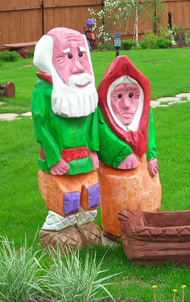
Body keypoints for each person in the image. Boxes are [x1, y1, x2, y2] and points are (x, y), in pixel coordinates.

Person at [31, 27, 102, 251]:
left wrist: (94, 150)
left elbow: (93, 121)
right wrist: (54, 158)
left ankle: (84, 224)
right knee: (66, 198)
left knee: (91, 195)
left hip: (85, 158)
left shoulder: (87, 91)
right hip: (60, 159)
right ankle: (54, 231)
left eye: (81, 55)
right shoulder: (44, 92)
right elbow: (41, 128)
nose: (78, 64)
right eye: (68, 56)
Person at [96, 55, 161, 241]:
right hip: (117, 176)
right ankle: (117, 230)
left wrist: (152, 155)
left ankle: (151, 220)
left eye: (132, 95)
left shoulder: (146, 112)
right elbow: (102, 136)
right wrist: (121, 153)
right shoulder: (100, 115)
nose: (126, 104)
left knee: (151, 191)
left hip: (144, 166)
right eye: (119, 96)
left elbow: (150, 133)